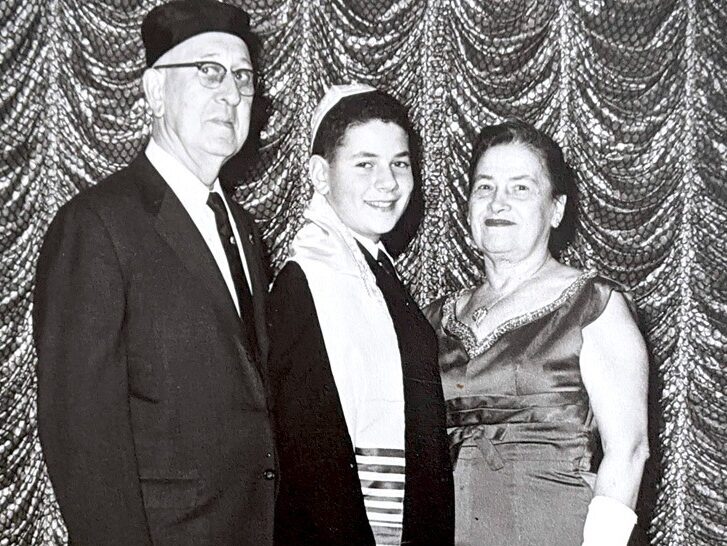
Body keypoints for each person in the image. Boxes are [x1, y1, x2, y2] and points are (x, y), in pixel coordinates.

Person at [33, 2, 276, 545]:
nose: (232, 95)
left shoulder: (244, 230)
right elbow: (83, 440)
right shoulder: (96, 225)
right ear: (155, 92)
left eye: (243, 77)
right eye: (208, 72)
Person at [424, 120, 650, 546]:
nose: (498, 203)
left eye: (521, 188)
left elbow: (629, 451)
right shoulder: (433, 320)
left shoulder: (595, 305)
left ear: (557, 209)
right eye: (484, 187)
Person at [267, 84, 454, 546]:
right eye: (365, 163)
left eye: (400, 163)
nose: (388, 183)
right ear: (319, 173)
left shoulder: (379, 273)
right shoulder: (303, 282)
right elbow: (310, 459)